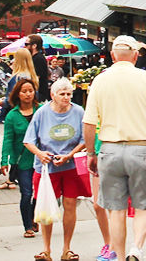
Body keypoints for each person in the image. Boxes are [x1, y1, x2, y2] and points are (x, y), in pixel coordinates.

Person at [82, 35, 146, 261]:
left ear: (113, 56)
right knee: (143, 206)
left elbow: (89, 123)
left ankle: (120, 257)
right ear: (134, 55)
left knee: (116, 209)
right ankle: (136, 248)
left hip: (110, 150)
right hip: (141, 149)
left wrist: (91, 153)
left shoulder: (100, 81)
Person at [24, 77, 86, 261]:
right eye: (62, 94)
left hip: (70, 166)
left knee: (70, 205)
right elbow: (29, 140)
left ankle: (67, 248)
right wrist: (40, 154)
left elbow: (84, 139)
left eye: (69, 94)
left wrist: (69, 155)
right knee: (47, 208)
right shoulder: (42, 113)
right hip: (46, 167)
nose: (66, 98)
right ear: (53, 95)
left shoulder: (78, 112)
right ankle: (46, 249)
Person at [1, 79, 41, 238]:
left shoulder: (41, 110)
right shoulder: (12, 115)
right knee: (26, 193)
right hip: (22, 161)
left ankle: (34, 216)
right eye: (24, 91)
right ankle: (28, 226)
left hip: (40, 159)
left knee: (39, 193)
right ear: (17, 93)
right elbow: (8, 139)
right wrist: (4, 160)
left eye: (30, 90)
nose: (28, 94)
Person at [28, 35, 51, 102]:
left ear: (34, 46)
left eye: (27, 44)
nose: (25, 46)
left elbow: (36, 78)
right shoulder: (34, 58)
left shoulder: (38, 59)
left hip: (39, 94)